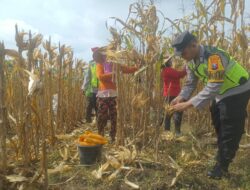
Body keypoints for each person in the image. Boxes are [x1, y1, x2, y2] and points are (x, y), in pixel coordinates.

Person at [170, 31, 250, 179]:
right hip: (220, 93)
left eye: (183, 52)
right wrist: (181, 97)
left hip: (237, 90)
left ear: (193, 44)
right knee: (217, 122)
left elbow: (214, 85)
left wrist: (188, 104)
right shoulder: (190, 62)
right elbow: (190, 83)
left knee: (229, 126)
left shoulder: (214, 57)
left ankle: (222, 167)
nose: (182, 56)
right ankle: (222, 153)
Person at [93, 49, 138, 142]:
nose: (106, 57)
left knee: (114, 116)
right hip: (103, 95)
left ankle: (112, 136)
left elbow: (126, 69)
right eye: (104, 55)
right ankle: (100, 135)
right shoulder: (100, 65)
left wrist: (136, 67)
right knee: (102, 116)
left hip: (113, 94)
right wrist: (114, 74)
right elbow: (101, 77)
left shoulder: (115, 64)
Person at [161, 56, 186, 135]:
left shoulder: (164, 71)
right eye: (170, 61)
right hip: (174, 95)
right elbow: (180, 75)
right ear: (167, 63)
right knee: (178, 112)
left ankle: (167, 131)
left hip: (167, 94)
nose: (171, 62)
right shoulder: (169, 70)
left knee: (168, 114)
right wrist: (187, 66)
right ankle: (177, 132)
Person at [81, 48, 99, 123]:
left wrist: (84, 88)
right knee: (95, 105)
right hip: (98, 89)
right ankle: (96, 120)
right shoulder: (99, 63)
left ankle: (89, 119)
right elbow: (87, 77)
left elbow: (87, 77)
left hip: (95, 89)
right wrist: (84, 88)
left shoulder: (92, 64)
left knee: (92, 105)